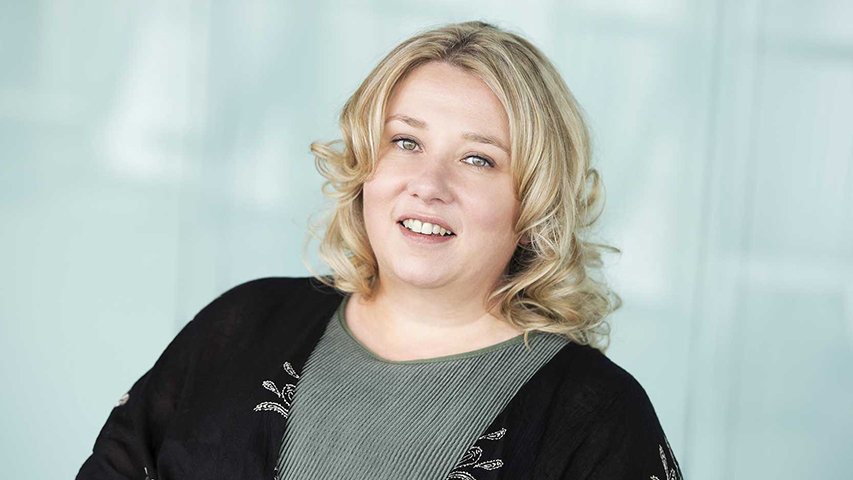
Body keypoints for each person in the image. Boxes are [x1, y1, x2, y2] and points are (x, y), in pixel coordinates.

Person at [78, 21, 683, 480]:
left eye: (478, 159)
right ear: (366, 166)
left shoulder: (597, 415)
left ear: (535, 205)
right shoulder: (242, 325)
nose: (429, 184)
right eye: (406, 142)